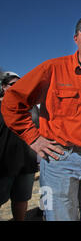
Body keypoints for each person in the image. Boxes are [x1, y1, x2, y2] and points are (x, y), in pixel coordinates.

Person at [1, 17, 81, 221]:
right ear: (76, 38)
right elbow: (12, 102)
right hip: (60, 162)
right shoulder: (52, 69)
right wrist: (33, 138)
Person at [0, 71, 39, 221]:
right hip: (3, 163)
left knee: (21, 199)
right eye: (12, 84)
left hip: (26, 163)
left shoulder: (31, 107)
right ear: (3, 87)